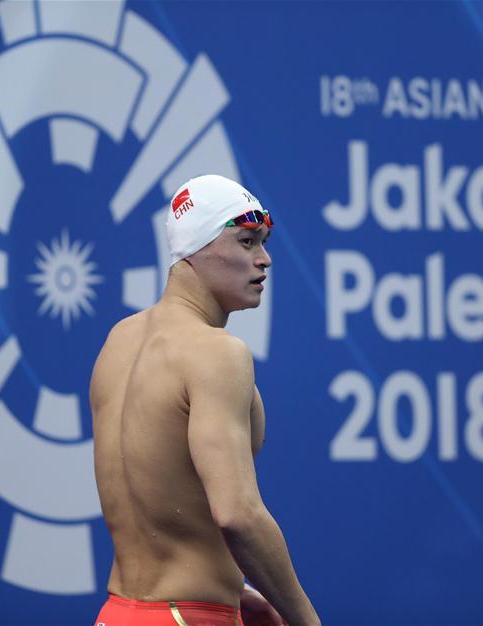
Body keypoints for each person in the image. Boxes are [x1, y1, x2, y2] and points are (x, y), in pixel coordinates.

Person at [90, 175, 320, 626]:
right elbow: (237, 514)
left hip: (118, 613)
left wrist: (234, 590)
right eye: (247, 241)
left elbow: (161, 498)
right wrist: (307, 621)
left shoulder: (118, 342)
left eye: (264, 242)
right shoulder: (217, 353)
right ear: (198, 249)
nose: (265, 259)